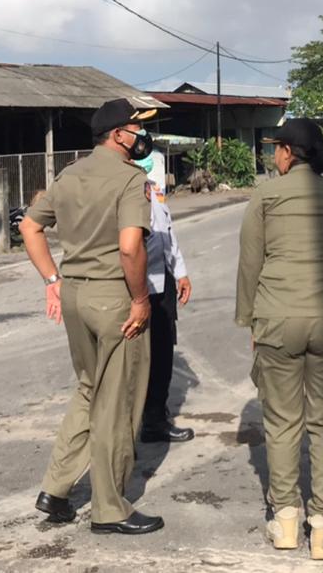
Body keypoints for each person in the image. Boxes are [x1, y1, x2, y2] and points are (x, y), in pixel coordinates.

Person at [20, 98, 163, 536]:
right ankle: (109, 508)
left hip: (77, 297)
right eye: (136, 129)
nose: (142, 137)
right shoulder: (128, 179)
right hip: (114, 299)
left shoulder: (69, 174)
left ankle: (56, 488)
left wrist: (51, 279)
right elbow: (129, 247)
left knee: (88, 388)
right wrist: (141, 299)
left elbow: (29, 225)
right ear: (118, 134)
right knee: (117, 402)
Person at [236, 119, 323, 561]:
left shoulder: (265, 196)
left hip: (276, 318)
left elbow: (250, 262)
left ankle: (286, 520)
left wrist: (250, 320)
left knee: (282, 421)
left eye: (277, 149)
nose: (274, 156)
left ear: (289, 152)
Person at [135, 156, 194, 443]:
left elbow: (168, 235)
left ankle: (155, 419)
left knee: (162, 355)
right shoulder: (125, 193)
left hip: (163, 282)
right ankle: (138, 420)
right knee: (136, 358)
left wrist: (180, 272)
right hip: (135, 287)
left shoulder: (154, 190)